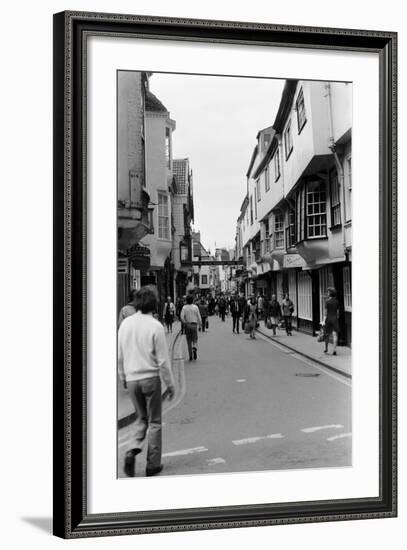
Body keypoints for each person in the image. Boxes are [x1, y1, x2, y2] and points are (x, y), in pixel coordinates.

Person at [118, 286, 175, 477]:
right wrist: (170, 383)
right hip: (150, 378)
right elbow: (163, 361)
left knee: (141, 418)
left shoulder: (125, 324)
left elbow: (120, 355)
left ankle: (132, 449)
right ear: (154, 303)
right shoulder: (155, 326)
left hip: (132, 379)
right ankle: (152, 464)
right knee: (155, 422)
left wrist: (123, 377)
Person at [180, 294, 202, 360]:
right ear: (193, 300)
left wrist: (184, 322)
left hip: (187, 325)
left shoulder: (184, 307)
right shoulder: (195, 307)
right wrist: (200, 325)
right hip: (194, 325)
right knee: (195, 339)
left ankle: (190, 356)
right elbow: (199, 317)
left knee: (189, 341)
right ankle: (194, 347)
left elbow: (181, 317)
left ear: (186, 300)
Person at [323, 287, 340, 355]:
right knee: (335, 335)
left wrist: (324, 321)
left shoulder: (327, 301)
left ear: (330, 293)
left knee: (327, 334)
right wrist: (336, 318)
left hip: (328, 319)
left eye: (328, 292)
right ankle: (334, 350)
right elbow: (338, 313)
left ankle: (326, 349)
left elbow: (325, 312)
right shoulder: (337, 302)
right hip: (335, 319)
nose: (327, 293)